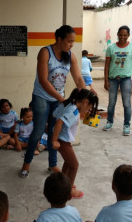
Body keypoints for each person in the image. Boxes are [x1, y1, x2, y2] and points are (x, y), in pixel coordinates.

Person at [20, 25, 96, 178]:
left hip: (59, 99)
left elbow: (79, 78)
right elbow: (43, 80)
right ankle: (26, 164)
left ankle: (52, 165)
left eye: (73, 42)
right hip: (42, 97)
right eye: (69, 41)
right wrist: (62, 99)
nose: (71, 45)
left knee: (56, 131)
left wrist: (87, 97)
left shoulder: (71, 56)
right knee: (39, 131)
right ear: (59, 39)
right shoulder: (45, 52)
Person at [52, 88, 98, 198]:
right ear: (85, 102)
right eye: (89, 107)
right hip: (63, 141)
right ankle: (68, 191)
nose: (88, 110)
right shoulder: (74, 110)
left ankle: (63, 184)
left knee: (68, 163)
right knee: (74, 165)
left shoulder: (67, 103)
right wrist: (54, 140)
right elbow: (59, 122)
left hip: (63, 139)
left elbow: (55, 115)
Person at [103, 25, 132, 136]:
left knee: (126, 103)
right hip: (113, 79)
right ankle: (109, 122)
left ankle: (126, 125)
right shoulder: (111, 48)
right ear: (117, 35)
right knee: (111, 103)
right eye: (120, 35)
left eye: (125, 35)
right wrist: (105, 80)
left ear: (128, 35)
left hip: (126, 79)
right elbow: (107, 65)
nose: (122, 37)